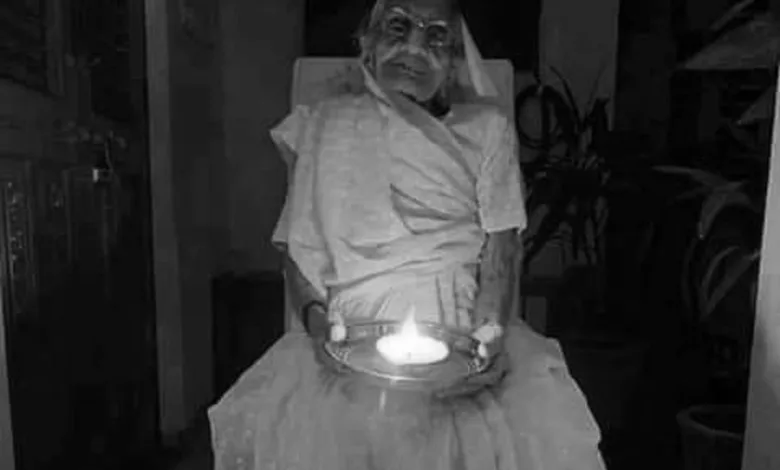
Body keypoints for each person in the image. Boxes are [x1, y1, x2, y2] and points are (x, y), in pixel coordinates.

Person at [208, 0, 606, 469]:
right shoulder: (326, 123)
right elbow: (300, 248)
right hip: (350, 336)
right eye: (398, 27)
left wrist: (489, 341)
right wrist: (321, 331)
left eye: (435, 36)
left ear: (454, 61)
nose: (415, 47)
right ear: (368, 44)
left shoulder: (487, 131)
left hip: (457, 330)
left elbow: (502, 252)